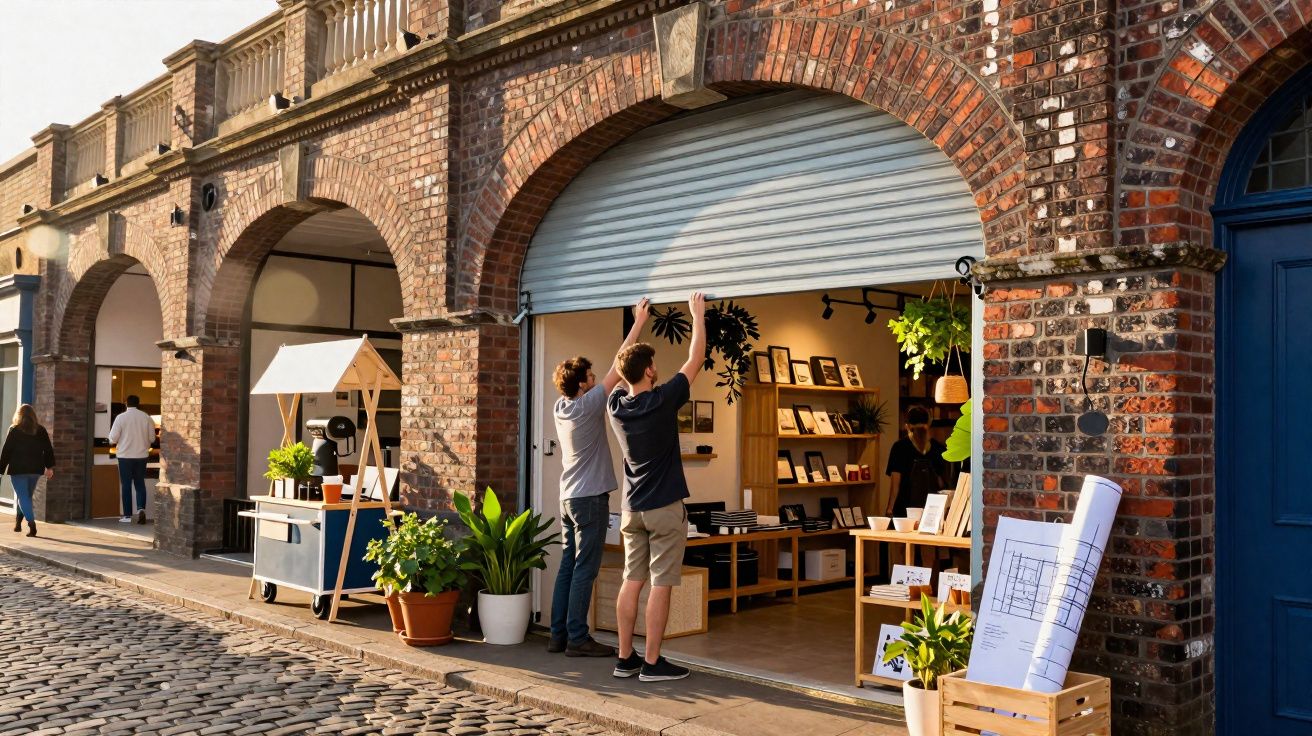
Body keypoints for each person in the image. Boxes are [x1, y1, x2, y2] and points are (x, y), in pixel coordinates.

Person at [608, 291, 706, 683]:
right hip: (665, 508)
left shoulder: (616, 406)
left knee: (632, 579)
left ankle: (624, 657)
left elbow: (617, 371)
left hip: (632, 509)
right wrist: (697, 314)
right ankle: (651, 663)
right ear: (649, 371)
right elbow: (695, 358)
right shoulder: (663, 401)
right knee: (661, 583)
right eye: (653, 364)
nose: (657, 368)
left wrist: (637, 323)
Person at [547, 298, 651, 657]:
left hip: (568, 497)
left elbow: (609, 373)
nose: (596, 381)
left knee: (567, 565)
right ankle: (577, 639)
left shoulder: (561, 407)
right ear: (580, 385)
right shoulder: (589, 404)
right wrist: (637, 323)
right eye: (590, 378)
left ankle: (557, 635)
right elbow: (620, 367)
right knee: (584, 569)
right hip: (589, 499)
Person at [884, 406, 950, 517]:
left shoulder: (899, 447)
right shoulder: (939, 448)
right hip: (932, 509)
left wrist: (890, 508)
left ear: (907, 426)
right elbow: (942, 483)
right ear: (929, 424)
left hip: (905, 509)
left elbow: (896, 482)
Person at [0, 405, 55, 538]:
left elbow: (7, 451)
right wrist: (49, 467)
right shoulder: (40, 430)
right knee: (26, 498)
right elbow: (48, 449)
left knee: (24, 497)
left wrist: (1, 469)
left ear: (18, 415)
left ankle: (32, 524)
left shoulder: (14, 430)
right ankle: (18, 523)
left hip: (18, 470)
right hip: (35, 470)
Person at [108, 394, 156, 524]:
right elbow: (152, 439)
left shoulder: (121, 418)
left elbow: (113, 438)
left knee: (126, 485)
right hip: (141, 456)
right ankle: (141, 509)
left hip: (125, 457)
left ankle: (127, 516)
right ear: (138, 403)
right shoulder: (146, 418)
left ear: (126, 404)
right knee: (140, 483)